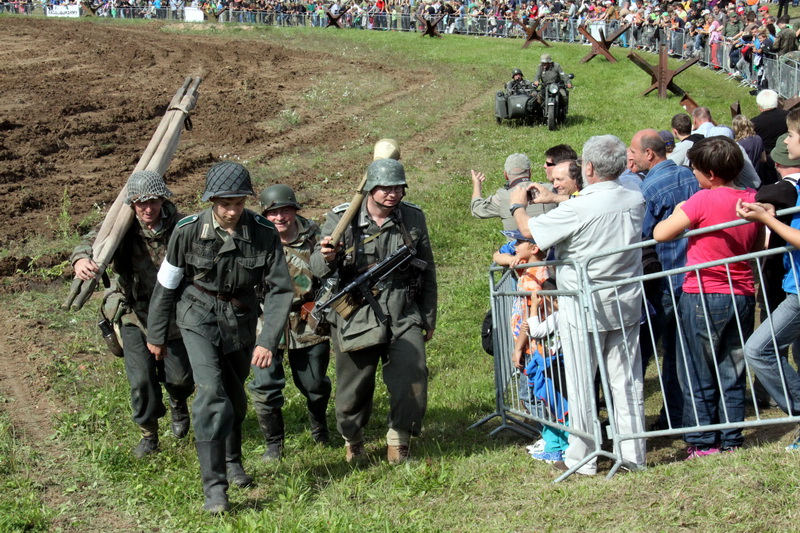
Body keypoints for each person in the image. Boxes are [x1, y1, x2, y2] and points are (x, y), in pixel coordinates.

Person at [146, 162, 294, 514]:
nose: (232, 211)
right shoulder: (186, 231)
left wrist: (267, 339)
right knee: (211, 394)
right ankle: (215, 489)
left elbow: (279, 290)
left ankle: (232, 459)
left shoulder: (263, 232)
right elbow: (167, 284)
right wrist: (156, 332)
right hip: (197, 316)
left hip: (241, 320)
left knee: (234, 399)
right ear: (212, 200)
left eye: (239, 203)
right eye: (225, 203)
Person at [510, 135, 647, 475]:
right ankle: (632, 454)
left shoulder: (578, 207)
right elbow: (593, 205)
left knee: (582, 383)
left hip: (582, 307)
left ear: (587, 168)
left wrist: (517, 204)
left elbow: (530, 230)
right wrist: (557, 196)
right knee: (626, 383)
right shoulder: (634, 197)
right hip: (624, 301)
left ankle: (583, 457)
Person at [311, 158, 437, 465]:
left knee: (413, 374)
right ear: (370, 189)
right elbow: (316, 267)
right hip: (356, 310)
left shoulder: (412, 217)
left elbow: (427, 268)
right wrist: (328, 255)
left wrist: (429, 317)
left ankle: (400, 439)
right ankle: (353, 439)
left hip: (402, 308)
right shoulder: (342, 218)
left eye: (397, 188)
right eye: (384, 188)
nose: (392, 194)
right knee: (354, 385)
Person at [71, 170, 194, 458]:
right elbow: (91, 241)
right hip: (133, 312)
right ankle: (149, 434)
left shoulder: (182, 225)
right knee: (141, 380)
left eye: (153, 201)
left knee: (180, 379)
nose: (147, 208)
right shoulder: (121, 227)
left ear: (163, 199)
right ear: (131, 205)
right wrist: (80, 260)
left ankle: (178, 402)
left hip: (174, 313)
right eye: (140, 203)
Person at [654, 136, 762, 458]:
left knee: (698, 370)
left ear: (710, 174)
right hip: (740, 294)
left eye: (695, 170)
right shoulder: (752, 198)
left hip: (702, 293)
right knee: (732, 369)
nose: (694, 175)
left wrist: (680, 209)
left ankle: (702, 442)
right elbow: (756, 248)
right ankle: (730, 439)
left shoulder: (702, 200)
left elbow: (661, 233)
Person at [248, 185, 332, 461]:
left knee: (314, 384)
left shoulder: (315, 236)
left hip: (307, 320)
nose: (280, 217)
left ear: (295, 210)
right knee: (265, 386)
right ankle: (274, 443)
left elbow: (332, 274)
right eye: (273, 213)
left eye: (285, 210)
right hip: (266, 321)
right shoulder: (255, 239)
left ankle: (320, 426)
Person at [631, 129, 698, 432]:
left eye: (633, 150)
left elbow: (641, 237)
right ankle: (680, 414)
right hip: (695, 274)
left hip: (666, 279)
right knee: (683, 351)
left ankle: (662, 417)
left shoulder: (650, 189)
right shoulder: (691, 175)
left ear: (649, 153)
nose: (630, 156)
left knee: (648, 350)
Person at [470, 153, 554, 231]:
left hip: (518, 246)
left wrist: (477, 185)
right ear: (530, 172)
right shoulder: (549, 189)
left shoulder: (501, 197)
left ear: (505, 175)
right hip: (551, 246)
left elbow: (477, 209)